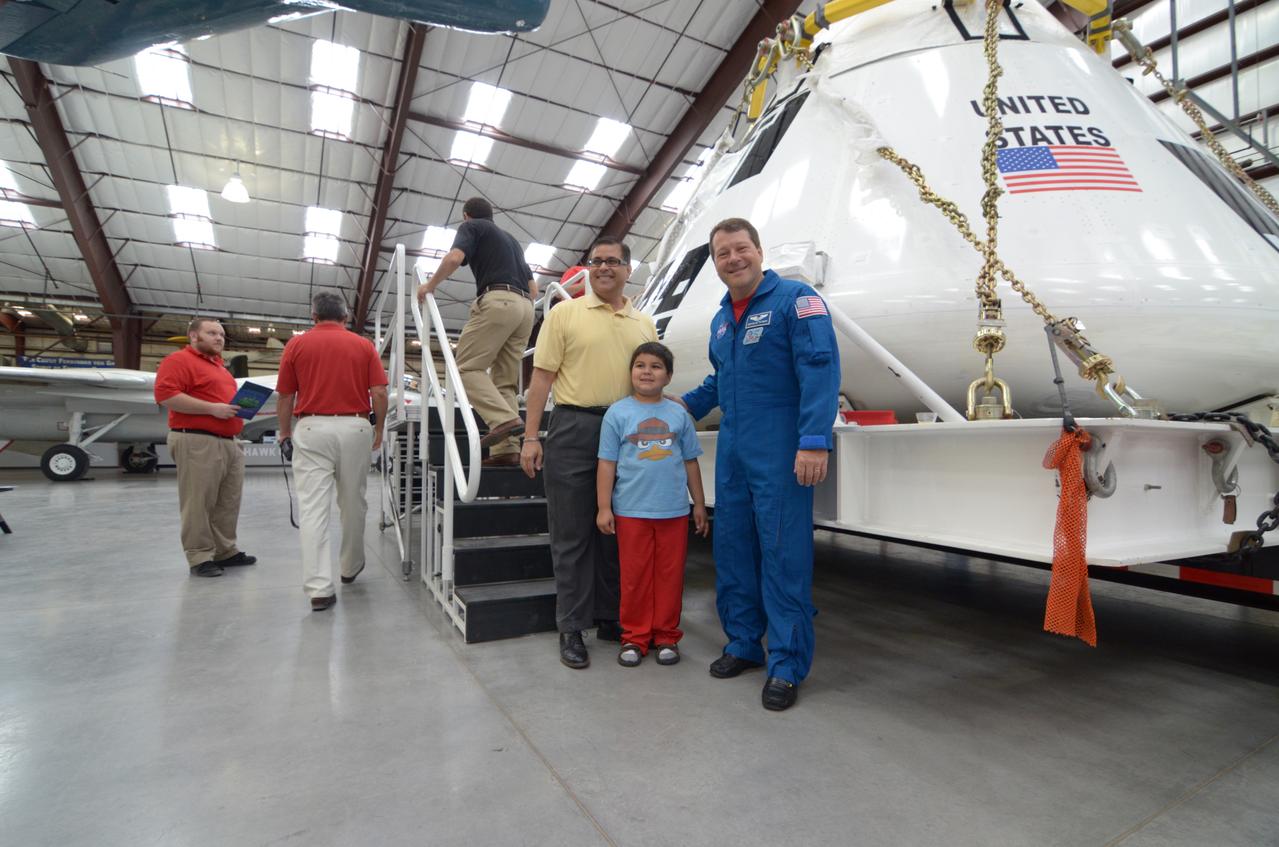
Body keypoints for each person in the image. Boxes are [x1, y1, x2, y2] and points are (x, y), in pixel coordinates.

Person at [681, 217, 841, 711]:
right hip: (732, 448)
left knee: (781, 554)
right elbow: (720, 380)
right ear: (715, 263)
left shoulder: (796, 300)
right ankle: (743, 644)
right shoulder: (720, 319)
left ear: (758, 250)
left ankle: (787, 664)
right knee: (732, 550)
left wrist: (814, 440)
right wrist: (676, 405)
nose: (734, 259)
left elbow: (819, 368)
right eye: (723, 253)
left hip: (779, 446)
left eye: (741, 248)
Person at [520, 235, 657, 669]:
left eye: (613, 261)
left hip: (627, 430)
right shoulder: (565, 313)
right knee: (572, 533)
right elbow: (541, 378)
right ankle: (572, 626)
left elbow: (651, 380)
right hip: (574, 427)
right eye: (597, 261)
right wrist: (530, 436)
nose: (603, 268)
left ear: (627, 269)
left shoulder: (643, 323)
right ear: (588, 268)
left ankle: (610, 617)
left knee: (618, 532)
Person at [596, 342, 708, 668]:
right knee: (634, 576)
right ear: (631, 372)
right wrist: (604, 507)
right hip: (630, 511)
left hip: (673, 511)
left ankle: (666, 636)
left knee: (670, 576)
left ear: (669, 376)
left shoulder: (679, 415)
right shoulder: (617, 413)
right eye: (640, 365)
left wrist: (698, 504)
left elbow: (690, 462)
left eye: (656, 366)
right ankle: (634, 637)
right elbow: (606, 463)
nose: (647, 371)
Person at [275, 291, 389, 612]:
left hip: (312, 428)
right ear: (345, 317)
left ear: (313, 317)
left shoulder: (296, 345)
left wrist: (285, 433)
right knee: (354, 502)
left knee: (313, 509)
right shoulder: (363, 345)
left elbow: (285, 397)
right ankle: (350, 567)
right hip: (355, 427)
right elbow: (379, 392)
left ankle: (319, 588)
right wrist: (378, 429)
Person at [415, 197, 537, 467]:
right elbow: (534, 287)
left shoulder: (472, 227)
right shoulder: (511, 240)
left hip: (498, 300)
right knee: (504, 381)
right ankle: (507, 451)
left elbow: (455, 257)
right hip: (526, 309)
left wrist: (430, 286)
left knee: (464, 369)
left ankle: (504, 420)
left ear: (466, 215)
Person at [155, 318, 256, 578]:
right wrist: (213, 409)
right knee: (198, 501)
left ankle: (225, 550)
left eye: (221, 334)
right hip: (197, 440)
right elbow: (165, 395)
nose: (219, 338)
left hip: (229, 442)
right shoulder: (179, 361)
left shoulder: (222, 370)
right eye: (211, 333)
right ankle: (199, 555)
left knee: (228, 501)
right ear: (193, 336)